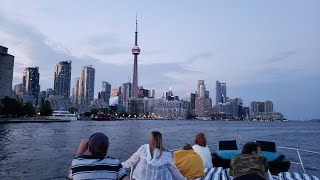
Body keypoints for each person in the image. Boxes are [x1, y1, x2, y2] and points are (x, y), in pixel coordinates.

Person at [121, 131, 194, 180]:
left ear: (150, 139)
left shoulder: (143, 149)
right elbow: (173, 170)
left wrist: (118, 166)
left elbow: (131, 162)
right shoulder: (166, 155)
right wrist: (184, 179)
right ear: (160, 140)